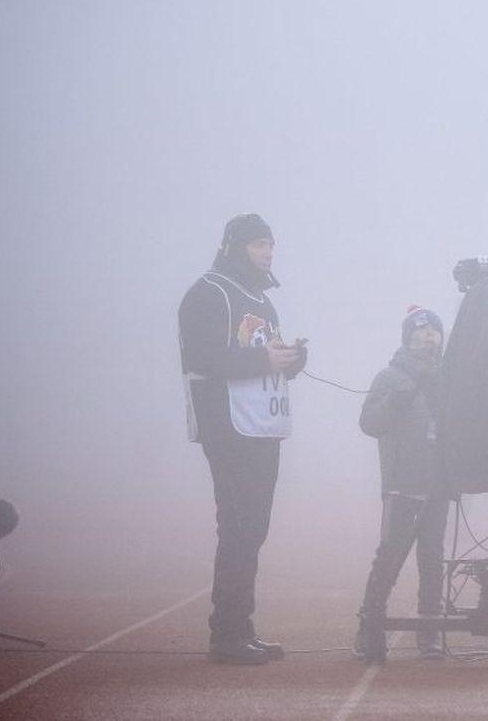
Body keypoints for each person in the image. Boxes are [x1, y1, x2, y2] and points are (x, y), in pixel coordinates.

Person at [178, 213, 307, 665]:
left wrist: (291, 360)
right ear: (235, 247)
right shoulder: (207, 293)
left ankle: (241, 629)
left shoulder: (261, 299)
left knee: (253, 529)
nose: (268, 252)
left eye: (271, 243)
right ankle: (226, 634)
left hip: (262, 427)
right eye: (258, 245)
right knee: (236, 527)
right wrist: (262, 361)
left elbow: (262, 355)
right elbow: (201, 355)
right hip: (227, 427)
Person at [352, 306, 450, 664]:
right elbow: (369, 423)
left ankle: (430, 633)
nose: (430, 337)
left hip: (438, 486)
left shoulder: (448, 378)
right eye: (422, 331)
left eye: (435, 331)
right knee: (390, 556)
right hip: (401, 485)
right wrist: (395, 404)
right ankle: (369, 625)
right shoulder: (389, 377)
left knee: (432, 559)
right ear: (407, 336)